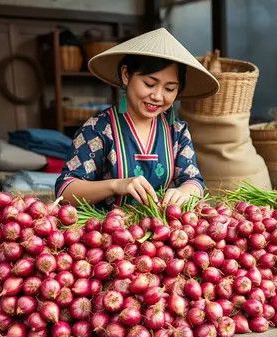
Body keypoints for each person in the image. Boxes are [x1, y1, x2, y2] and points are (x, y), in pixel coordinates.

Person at [55, 28, 219, 209]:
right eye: (149, 84)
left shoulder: (177, 132)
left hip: (159, 231)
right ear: (126, 75)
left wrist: (185, 192)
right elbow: (65, 191)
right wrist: (116, 185)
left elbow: (194, 181)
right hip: (108, 232)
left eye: (169, 89)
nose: (157, 96)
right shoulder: (98, 129)